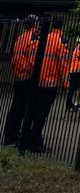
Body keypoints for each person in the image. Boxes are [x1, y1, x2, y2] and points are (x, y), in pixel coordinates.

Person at [26, 24, 69, 152]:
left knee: (32, 112)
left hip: (36, 82)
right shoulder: (59, 41)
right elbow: (62, 64)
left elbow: (32, 57)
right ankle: (36, 142)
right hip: (50, 84)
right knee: (42, 115)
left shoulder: (43, 38)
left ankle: (26, 138)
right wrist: (65, 84)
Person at [2, 16, 39, 147]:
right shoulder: (33, 38)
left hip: (18, 76)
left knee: (15, 107)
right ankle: (17, 137)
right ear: (34, 25)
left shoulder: (20, 38)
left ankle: (10, 135)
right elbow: (33, 59)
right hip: (27, 77)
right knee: (23, 108)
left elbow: (15, 57)